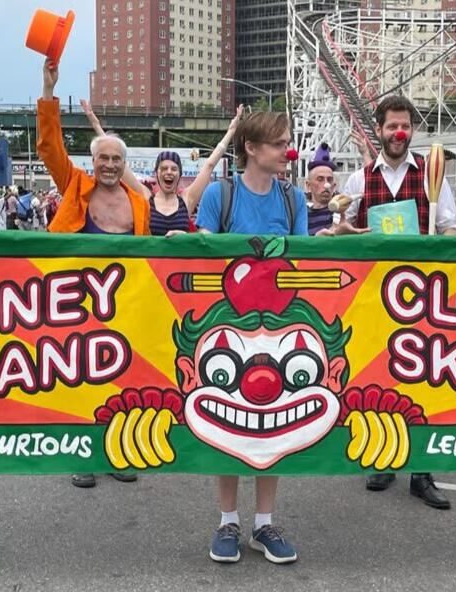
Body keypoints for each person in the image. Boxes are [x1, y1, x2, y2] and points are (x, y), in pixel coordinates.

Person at [194, 110, 306, 564]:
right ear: (252, 149)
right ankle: (227, 520)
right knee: (229, 426)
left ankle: (264, 522)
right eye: (278, 144)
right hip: (227, 333)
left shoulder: (293, 199)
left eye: (286, 142)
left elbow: (302, 262)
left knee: (273, 427)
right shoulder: (220, 196)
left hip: (278, 334)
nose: (286, 151)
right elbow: (199, 258)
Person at [339, 94, 456, 510]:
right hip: (375, 296)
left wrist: (443, 241)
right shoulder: (359, 180)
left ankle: (422, 472)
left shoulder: (433, 176)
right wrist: (350, 233)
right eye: (392, 126)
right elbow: (345, 232)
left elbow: (450, 228)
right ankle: (383, 457)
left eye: (405, 125)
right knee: (379, 378)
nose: (399, 133)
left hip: (422, 296)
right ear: (379, 129)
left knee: (425, 379)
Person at [38, 57, 150, 487]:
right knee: (79, 375)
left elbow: (152, 250)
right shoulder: (75, 186)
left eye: (115, 160)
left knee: (120, 376)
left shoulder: (137, 203)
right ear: (93, 160)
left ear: (124, 165)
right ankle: (82, 452)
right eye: (102, 158)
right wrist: (49, 92)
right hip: (75, 298)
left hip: (122, 303)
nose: (108, 165)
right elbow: (49, 146)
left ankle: (114, 451)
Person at [81, 100, 244, 235]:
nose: (169, 172)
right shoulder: (145, 197)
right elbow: (119, 161)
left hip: (178, 269)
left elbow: (209, 166)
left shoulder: (187, 200)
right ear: (156, 173)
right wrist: (96, 125)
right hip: (149, 268)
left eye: (174, 169)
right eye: (164, 168)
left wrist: (231, 131)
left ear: (179, 174)